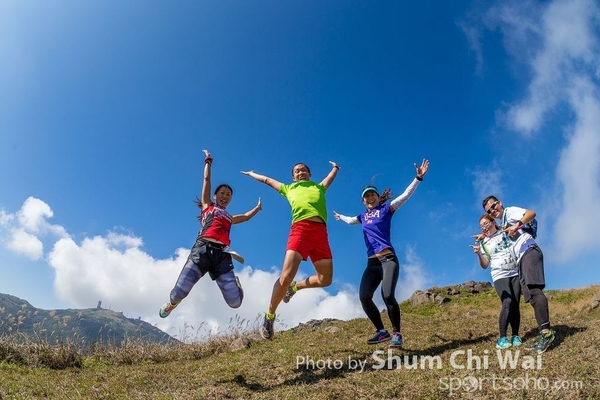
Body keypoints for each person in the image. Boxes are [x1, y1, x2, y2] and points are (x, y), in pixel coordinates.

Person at [333, 160, 429, 347]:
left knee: (387, 295)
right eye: (367, 196)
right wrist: (340, 217)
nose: (370, 198)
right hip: (372, 264)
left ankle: (397, 333)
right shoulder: (362, 216)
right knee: (364, 297)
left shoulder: (387, 209)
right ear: (363, 201)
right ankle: (381, 331)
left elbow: (405, 195)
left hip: (388, 260)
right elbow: (351, 220)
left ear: (378, 198)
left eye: (373, 195)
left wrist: (418, 178)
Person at [241, 161, 340, 339]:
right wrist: (252, 173)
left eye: (304, 170)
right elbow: (267, 180)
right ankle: (270, 317)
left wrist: (335, 168)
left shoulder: (319, 187)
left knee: (326, 280)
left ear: (309, 174)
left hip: (320, 234)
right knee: (286, 276)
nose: (300, 172)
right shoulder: (289, 188)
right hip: (300, 231)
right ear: (293, 177)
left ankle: (295, 288)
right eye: (297, 171)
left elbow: (329, 178)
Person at [159, 150, 262, 318]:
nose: (225, 196)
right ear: (215, 195)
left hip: (222, 255)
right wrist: (208, 161)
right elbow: (206, 180)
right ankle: (172, 304)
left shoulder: (229, 217)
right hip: (202, 250)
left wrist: (257, 208)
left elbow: (245, 217)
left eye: (228, 195)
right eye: (222, 193)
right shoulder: (208, 206)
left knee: (235, 303)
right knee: (178, 293)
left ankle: (237, 285)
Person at [482, 195, 554, 354]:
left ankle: (546, 333)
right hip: (521, 258)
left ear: (499, 203)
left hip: (529, 251)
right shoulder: (502, 223)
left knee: (534, 291)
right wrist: (483, 236)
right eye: (489, 210)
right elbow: (495, 235)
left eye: (494, 206)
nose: (493, 210)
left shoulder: (510, 211)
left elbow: (531, 213)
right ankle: (543, 333)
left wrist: (517, 226)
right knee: (530, 296)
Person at [470, 214, 522, 350]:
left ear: (493, 222)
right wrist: (479, 254)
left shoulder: (503, 232)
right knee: (508, 301)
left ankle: (515, 335)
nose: (484, 227)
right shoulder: (483, 242)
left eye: (486, 223)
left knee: (516, 303)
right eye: (481, 226)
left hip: (514, 271)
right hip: (499, 274)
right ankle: (502, 338)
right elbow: (485, 265)